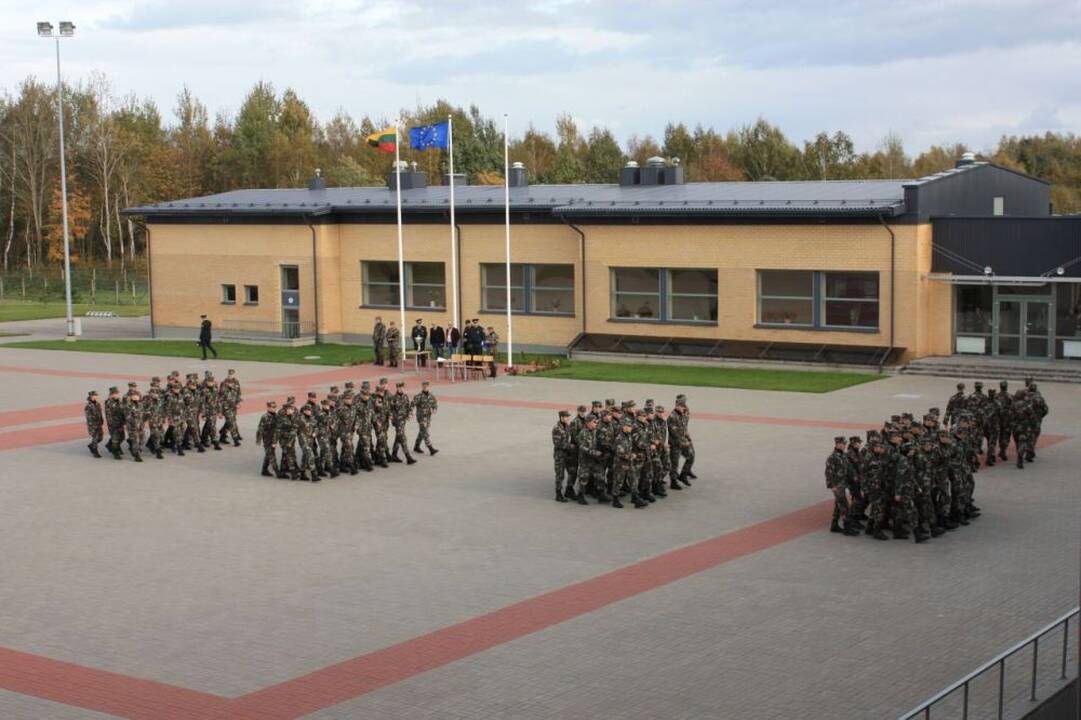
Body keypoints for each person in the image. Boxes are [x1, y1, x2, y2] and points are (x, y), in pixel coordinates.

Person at [825, 436, 858, 535]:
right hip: (837, 485)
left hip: (842, 484)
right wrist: (832, 485)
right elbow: (828, 473)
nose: (845, 445)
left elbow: (848, 467)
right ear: (837, 444)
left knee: (838, 505)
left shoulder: (843, 455)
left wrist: (854, 476)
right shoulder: (832, 457)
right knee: (844, 505)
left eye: (845, 443)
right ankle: (847, 528)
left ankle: (834, 525)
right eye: (843, 444)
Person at [389, 381, 417, 464]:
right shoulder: (393, 398)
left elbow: (408, 407)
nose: (401, 389)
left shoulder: (405, 397)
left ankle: (394, 455)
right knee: (402, 437)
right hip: (397, 420)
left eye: (402, 387)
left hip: (403, 420)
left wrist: (410, 414)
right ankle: (408, 457)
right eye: (399, 387)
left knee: (398, 437)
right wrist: (391, 416)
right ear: (397, 388)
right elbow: (390, 408)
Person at [552, 410, 574, 502]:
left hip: (567, 454)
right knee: (560, 475)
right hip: (560, 455)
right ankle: (558, 493)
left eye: (568, 417)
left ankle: (569, 490)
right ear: (561, 417)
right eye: (565, 417)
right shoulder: (557, 428)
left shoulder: (567, 427)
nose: (567, 418)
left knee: (572, 471)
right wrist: (570, 446)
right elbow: (557, 444)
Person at [412, 380, 439, 455]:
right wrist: (410, 413)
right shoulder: (418, 396)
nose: (425, 386)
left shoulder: (431, 395)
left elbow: (434, 403)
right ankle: (431, 448)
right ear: (422, 386)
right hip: (420, 417)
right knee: (425, 432)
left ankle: (416, 446)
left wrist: (434, 409)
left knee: (422, 432)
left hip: (428, 417)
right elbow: (412, 404)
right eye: (424, 385)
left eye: (426, 385)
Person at [256, 401, 280, 477]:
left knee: (268, 454)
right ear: (268, 407)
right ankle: (277, 472)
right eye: (273, 407)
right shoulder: (265, 417)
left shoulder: (276, 416)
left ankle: (264, 470)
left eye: (275, 407)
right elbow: (260, 428)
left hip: (273, 438)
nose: (274, 408)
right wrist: (258, 439)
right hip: (267, 438)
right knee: (271, 455)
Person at [219, 369, 242, 446]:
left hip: (233, 406)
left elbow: (238, 393)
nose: (231, 376)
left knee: (230, 421)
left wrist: (238, 402)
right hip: (226, 407)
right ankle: (235, 439)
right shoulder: (223, 383)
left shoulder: (236, 382)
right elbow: (220, 398)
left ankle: (222, 434)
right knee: (231, 422)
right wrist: (220, 411)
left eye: (232, 374)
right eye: (229, 374)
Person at [123, 391, 146, 462]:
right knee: (136, 440)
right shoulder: (128, 405)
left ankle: (135, 449)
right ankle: (136, 455)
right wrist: (136, 423)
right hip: (132, 426)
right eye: (134, 396)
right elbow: (128, 417)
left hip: (140, 426)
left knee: (143, 439)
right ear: (131, 397)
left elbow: (142, 415)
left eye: (137, 396)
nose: (136, 397)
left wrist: (142, 421)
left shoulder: (140, 404)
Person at [104, 386, 126, 460]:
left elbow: (123, 411)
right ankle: (115, 452)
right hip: (113, 425)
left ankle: (110, 445)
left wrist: (124, 422)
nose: (117, 395)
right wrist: (114, 425)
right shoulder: (108, 403)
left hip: (120, 423)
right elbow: (108, 416)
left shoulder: (119, 401)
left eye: (117, 393)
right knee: (115, 438)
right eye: (115, 394)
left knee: (122, 437)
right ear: (111, 394)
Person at [84, 390, 104, 458]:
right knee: (95, 438)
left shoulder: (98, 404)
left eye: (96, 396)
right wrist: (93, 426)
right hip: (93, 425)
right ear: (90, 397)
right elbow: (89, 418)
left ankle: (91, 445)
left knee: (100, 438)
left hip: (99, 424)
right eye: (93, 396)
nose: (95, 397)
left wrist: (101, 420)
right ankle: (95, 452)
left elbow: (100, 413)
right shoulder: (88, 406)